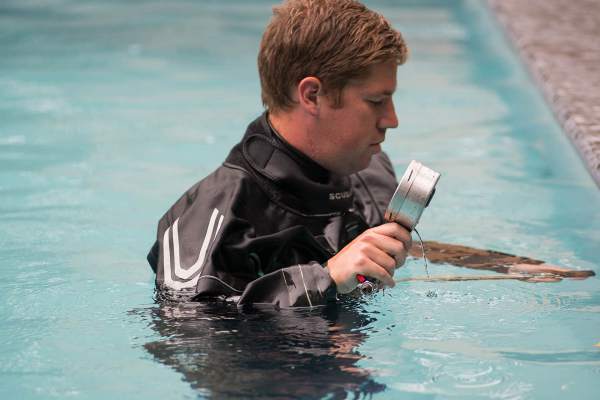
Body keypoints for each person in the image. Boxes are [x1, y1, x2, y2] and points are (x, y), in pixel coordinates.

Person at [147, 0, 593, 307]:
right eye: (377, 102)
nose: (393, 119)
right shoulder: (210, 216)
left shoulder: (365, 168)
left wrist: (507, 266)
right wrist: (325, 280)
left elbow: (386, 251)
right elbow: (184, 330)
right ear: (313, 95)